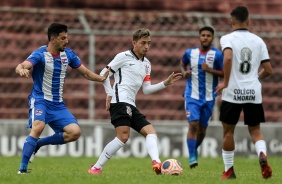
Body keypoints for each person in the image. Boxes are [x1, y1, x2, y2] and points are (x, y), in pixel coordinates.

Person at [15, 23, 110, 174]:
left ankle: (38, 144)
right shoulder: (40, 54)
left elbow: (85, 73)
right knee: (38, 126)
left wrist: (100, 78)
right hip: (40, 99)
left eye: (67, 37)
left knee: (74, 132)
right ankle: (22, 169)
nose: (66, 41)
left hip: (58, 104)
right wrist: (21, 70)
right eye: (63, 38)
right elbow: (23, 65)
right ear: (53, 39)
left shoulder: (69, 55)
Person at [88, 28, 182, 175]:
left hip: (131, 103)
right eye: (143, 43)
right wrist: (110, 94)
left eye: (149, 43)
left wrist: (165, 83)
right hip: (119, 101)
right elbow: (103, 74)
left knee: (151, 132)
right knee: (123, 137)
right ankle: (96, 168)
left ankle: (156, 163)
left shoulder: (147, 64)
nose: (146, 46)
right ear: (134, 43)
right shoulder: (123, 56)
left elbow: (147, 89)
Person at [215, 6, 273, 179]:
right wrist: (257, 77)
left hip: (232, 92)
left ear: (232, 22)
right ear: (248, 21)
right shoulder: (259, 41)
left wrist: (225, 82)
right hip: (253, 93)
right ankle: (262, 154)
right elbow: (269, 70)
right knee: (255, 131)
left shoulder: (227, 38)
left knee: (228, 132)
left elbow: (227, 58)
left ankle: (229, 170)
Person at [180, 26, 224, 168]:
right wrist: (184, 73)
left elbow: (224, 73)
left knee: (202, 130)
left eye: (208, 35)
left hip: (209, 97)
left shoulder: (217, 55)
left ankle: (194, 149)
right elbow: (182, 64)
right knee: (193, 124)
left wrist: (210, 70)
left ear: (212, 38)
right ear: (199, 37)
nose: (205, 37)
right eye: (203, 35)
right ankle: (192, 156)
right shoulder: (190, 53)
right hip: (191, 96)